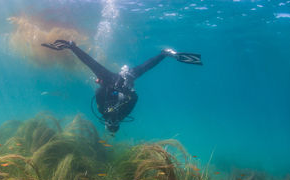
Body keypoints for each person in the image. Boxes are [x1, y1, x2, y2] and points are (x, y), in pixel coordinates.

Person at [42, 40, 202, 134]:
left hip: (110, 80)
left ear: (105, 123)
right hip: (126, 80)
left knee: (93, 66)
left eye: (110, 123)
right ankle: (164, 54)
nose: (113, 121)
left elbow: (98, 93)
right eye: (115, 123)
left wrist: (107, 86)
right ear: (119, 123)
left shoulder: (101, 111)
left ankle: (72, 46)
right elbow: (135, 97)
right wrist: (124, 89)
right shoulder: (125, 113)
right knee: (143, 68)